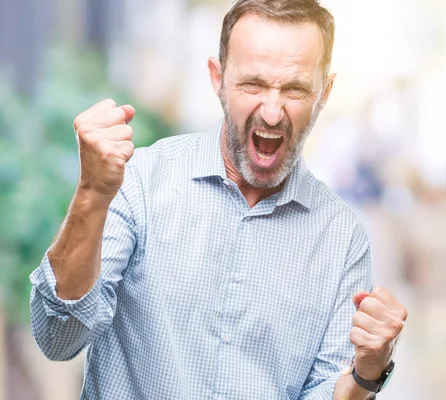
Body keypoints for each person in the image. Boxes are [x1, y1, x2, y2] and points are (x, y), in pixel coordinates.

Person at [29, 1, 408, 399]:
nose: (273, 112)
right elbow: (59, 337)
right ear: (218, 78)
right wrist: (91, 192)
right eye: (253, 84)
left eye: (295, 88)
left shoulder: (342, 239)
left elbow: (326, 391)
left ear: (324, 93)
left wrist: (367, 373)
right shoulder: (141, 181)